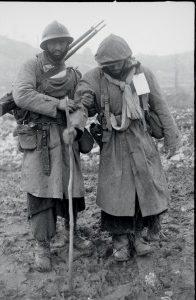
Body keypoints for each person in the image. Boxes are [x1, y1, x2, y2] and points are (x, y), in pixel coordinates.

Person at [72, 34, 181, 262]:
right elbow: (82, 101)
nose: (112, 67)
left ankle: (139, 238)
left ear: (127, 58)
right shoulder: (95, 77)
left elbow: (160, 105)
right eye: (107, 64)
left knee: (144, 193)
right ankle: (120, 243)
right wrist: (76, 125)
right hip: (113, 145)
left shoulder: (142, 74)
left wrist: (172, 139)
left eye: (116, 62)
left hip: (141, 141)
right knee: (116, 196)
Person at [12, 20, 93, 272]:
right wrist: (56, 104)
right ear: (45, 44)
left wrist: (76, 127)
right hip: (40, 141)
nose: (58, 47)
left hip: (66, 139)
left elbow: (82, 104)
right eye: (53, 42)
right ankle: (42, 246)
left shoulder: (73, 74)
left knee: (72, 191)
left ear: (67, 44)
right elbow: (21, 94)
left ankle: (72, 234)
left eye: (62, 42)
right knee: (40, 193)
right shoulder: (32, 66)